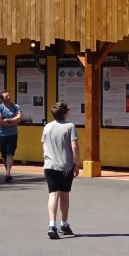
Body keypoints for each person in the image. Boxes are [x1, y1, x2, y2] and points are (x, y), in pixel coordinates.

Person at [42, 101, 80, 239]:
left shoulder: (47, 127)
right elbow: (74, 146)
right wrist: (77, 164)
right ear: (65, 112)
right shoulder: (70, 126)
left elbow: (44, 144)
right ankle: (64, 223)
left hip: (49, 166)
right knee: (64, 194)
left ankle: (52, 224)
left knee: (53, 194)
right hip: (65, 166)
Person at [0, 90, 23, 182]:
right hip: (2, 134)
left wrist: (9, 120)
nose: (9, 97)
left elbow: (20, 118)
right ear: (3, 99)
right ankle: (7, 171)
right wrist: (12, 122)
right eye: (7, 97)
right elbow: (0, 121)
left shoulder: (15, 106)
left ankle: (8, 173)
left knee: (10, 153)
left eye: (9, 96)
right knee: (3, 154)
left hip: (13, 134)